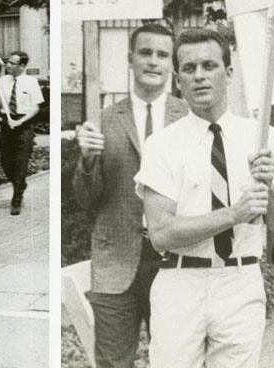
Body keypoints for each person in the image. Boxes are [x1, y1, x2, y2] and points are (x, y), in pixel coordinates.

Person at [136, 28, 274, 368]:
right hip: (180, 283)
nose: (199, 76)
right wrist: (234, 214)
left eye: (209, 65)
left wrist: (268, 185)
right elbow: (161, 234)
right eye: (189, 68)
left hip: (240, 280)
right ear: (177, 80)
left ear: (228, 73)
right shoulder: (162, 145)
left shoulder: (262, 137)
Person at [73, 23, 188, 368]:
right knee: (112, 363)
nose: (153, 62)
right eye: (145, 52)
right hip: (116, 261)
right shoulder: (102, 120)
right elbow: (86, 201)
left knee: (174, 360)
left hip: (176, 260)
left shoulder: (190, 120)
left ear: (172, 64)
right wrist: (88, 161)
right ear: (130, 58)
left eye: (162, 55)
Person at [0, 50, 44, 215]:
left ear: (22, 66)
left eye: (12, 63)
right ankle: (19, 183)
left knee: (21, 162)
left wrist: (20, 121)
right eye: (7, 62)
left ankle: (16, 199)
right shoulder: (3, 80)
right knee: (5, 160)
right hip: (6, 123)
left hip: (24, 124)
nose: (8, 65)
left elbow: (36, 107)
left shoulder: (31, 82)